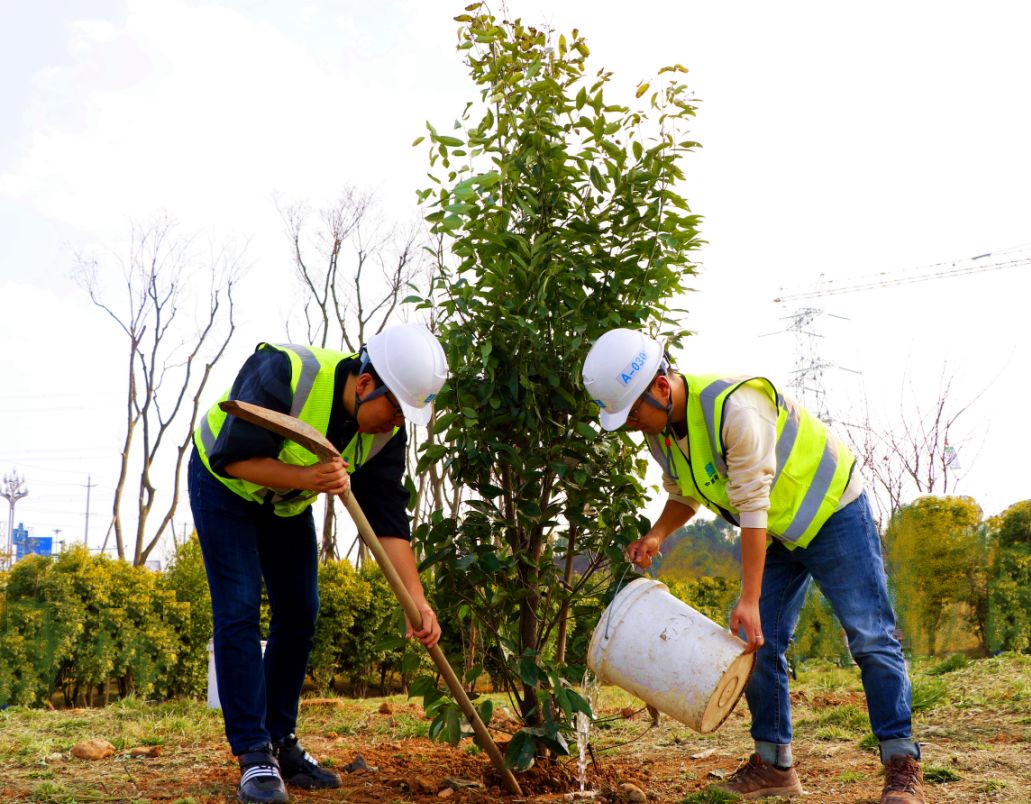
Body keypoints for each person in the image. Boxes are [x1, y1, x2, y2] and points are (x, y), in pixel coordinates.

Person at [581, 328, 924, 804]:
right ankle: (774, 765)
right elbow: (685, 492)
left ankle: (901, 763)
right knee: (755, 642)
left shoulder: (735, 408)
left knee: (869, 636)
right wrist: (657, 534)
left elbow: (752, 505)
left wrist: (749, 597)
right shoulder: (662, 434)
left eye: (633, 412)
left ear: (661, 387)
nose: (633, 424)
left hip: (830, 513)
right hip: (774, 532)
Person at [188, 323, 448, 804]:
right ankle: (253, 753)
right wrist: (308, 476)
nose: (395, 423)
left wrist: (417, 599)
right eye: (394, 409)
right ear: (367, 383)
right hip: (225, 489)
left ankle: (280, 741)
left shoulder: (384, 437)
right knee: (240, 608)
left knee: (300, 611)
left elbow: (388, 518)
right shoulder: (285, 372)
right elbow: (233, 459)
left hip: (286, 504)